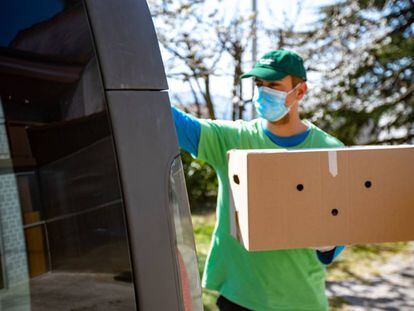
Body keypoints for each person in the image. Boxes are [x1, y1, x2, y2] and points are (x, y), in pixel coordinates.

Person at [172, 49, 346, 310]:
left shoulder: (329, 150)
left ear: (300, 91)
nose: (263, 92)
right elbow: (173, 122)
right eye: (259, 84)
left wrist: (329, 242)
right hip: (239, 297)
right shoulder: (232, 140)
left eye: (274, 85)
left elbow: (342, 227)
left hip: (300, 300)